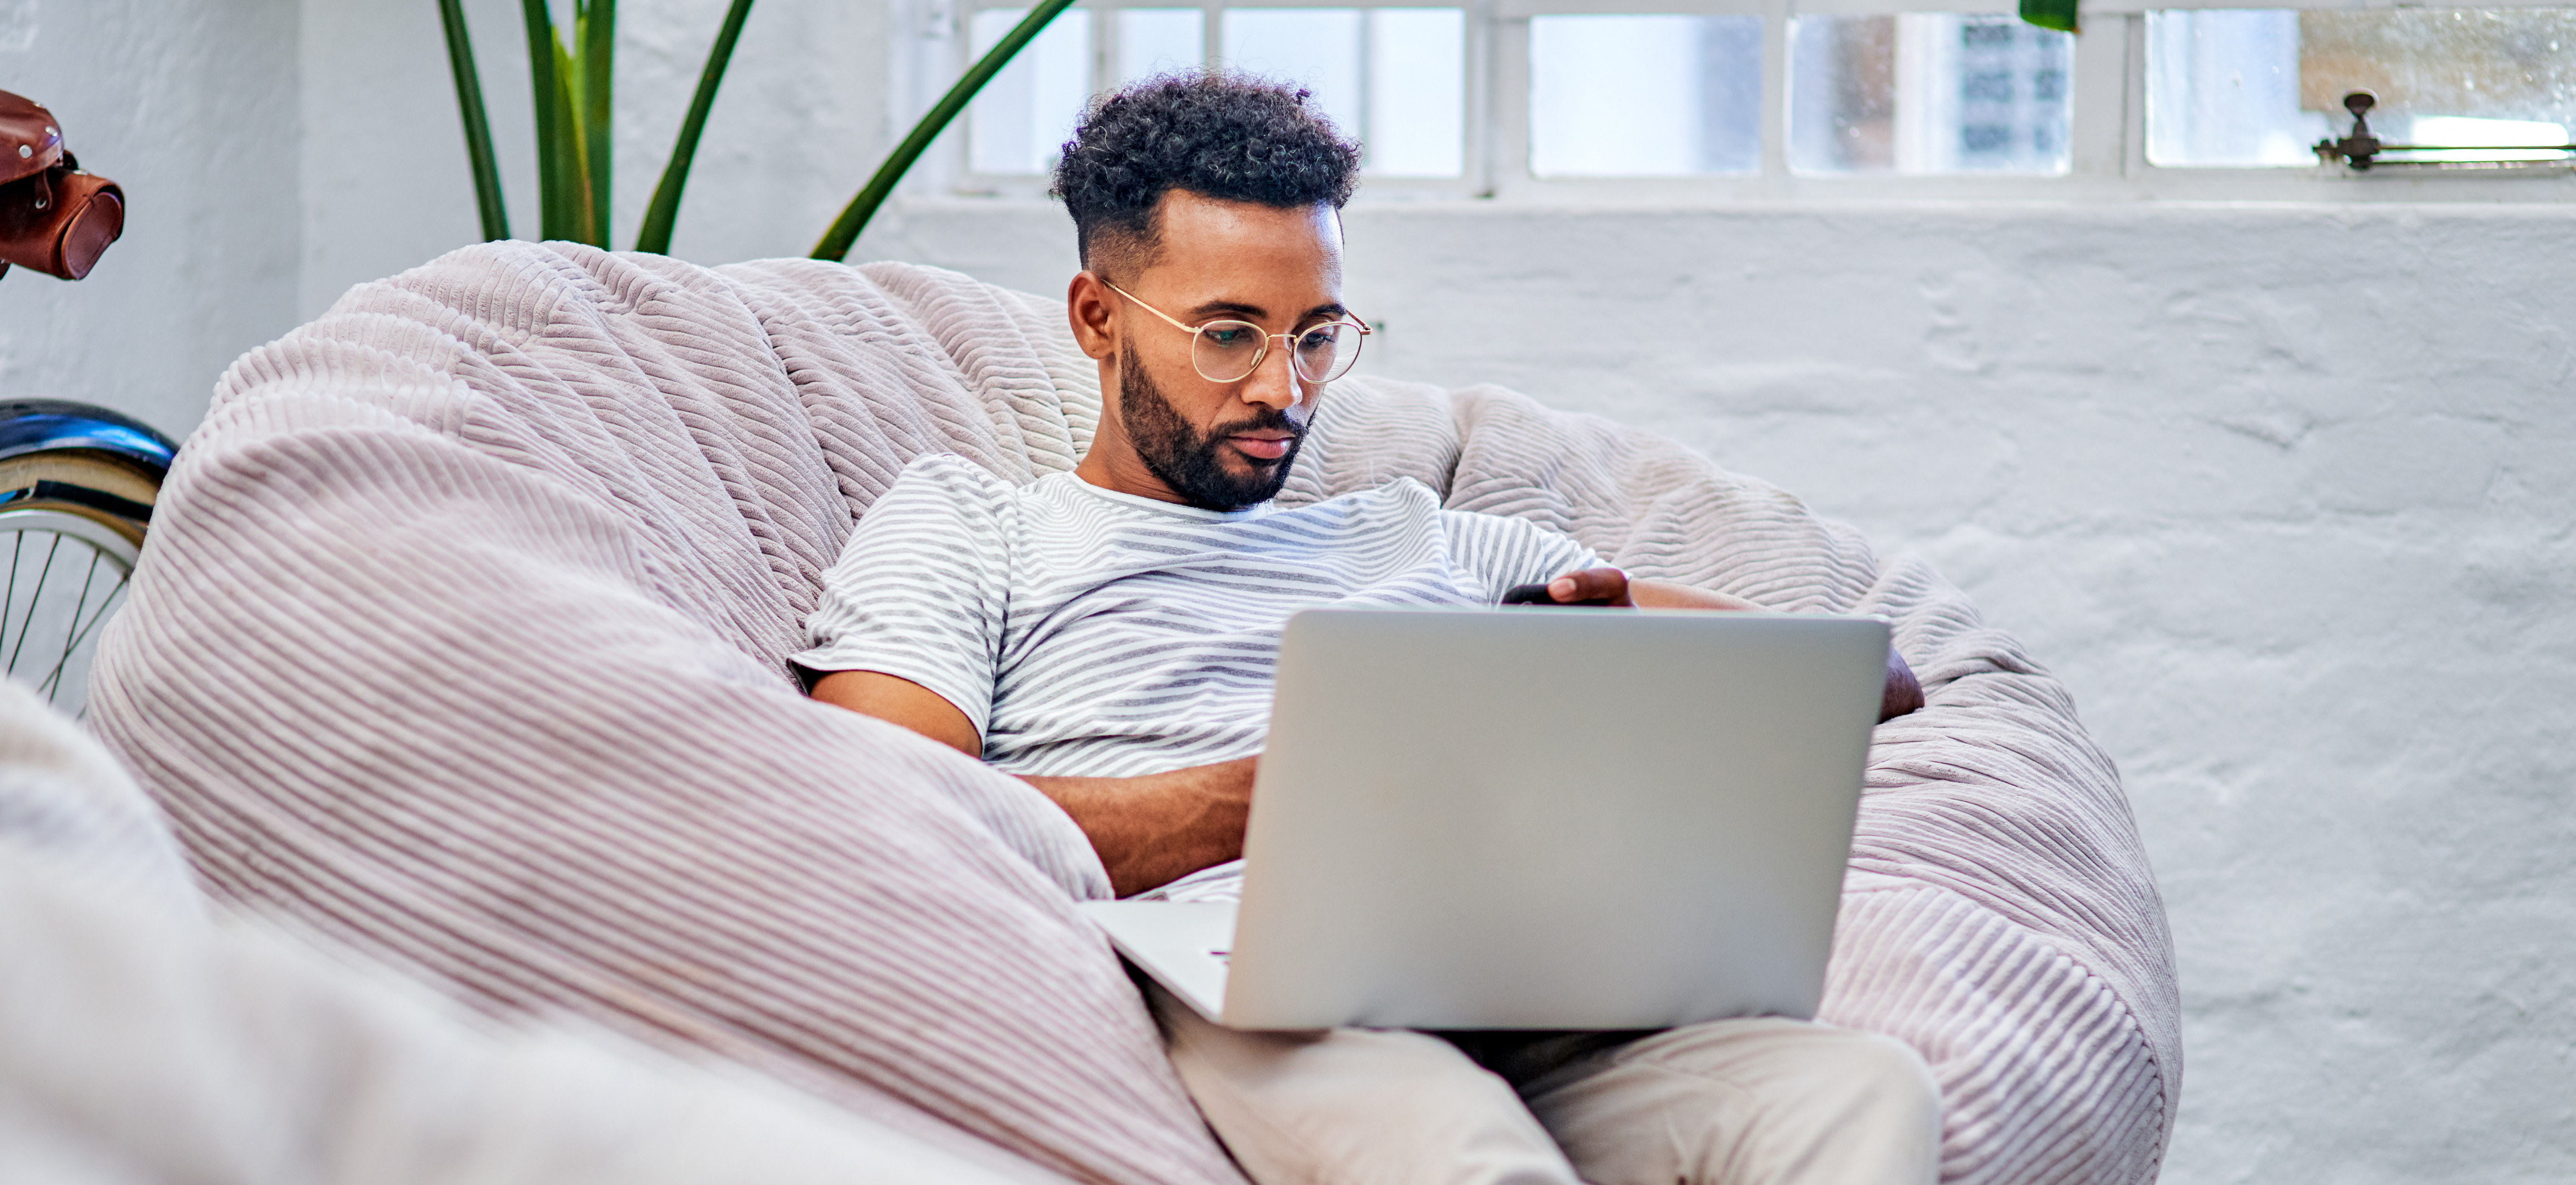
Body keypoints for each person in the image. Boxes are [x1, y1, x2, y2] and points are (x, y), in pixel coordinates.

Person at [791, 71, 1937, 1185]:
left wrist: (1619, 654)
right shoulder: (972, 524)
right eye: (1229, 334)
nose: (1284, 390)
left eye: (1318, 334)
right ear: (1098, 317)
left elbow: (1863, 672)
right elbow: (898, 801)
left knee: (1864, 1092)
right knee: (1459, 1155)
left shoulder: (1441, 542)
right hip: (1242, 982)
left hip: (1522, 975)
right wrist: (1304, 794)